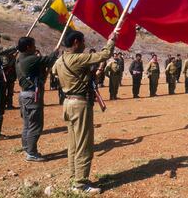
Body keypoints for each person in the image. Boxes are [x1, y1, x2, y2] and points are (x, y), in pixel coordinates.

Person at [52, 30, 115, 194]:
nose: (85, 44)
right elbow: (105, 54)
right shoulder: (78, 58)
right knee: (84, 145)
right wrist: (112, 39)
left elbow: (53, 72)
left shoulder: (60, 60)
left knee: (73, 144)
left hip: (67, 103)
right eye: (83, 41)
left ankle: (74, 178)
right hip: (80, 104)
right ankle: (80, 185)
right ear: (76, 42)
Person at [16, 37, 58, 162]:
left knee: (27, 124)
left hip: (24, 95)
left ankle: (27, 148)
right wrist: (55, 52)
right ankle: (32, 153)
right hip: (32, 96)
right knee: (35, 125)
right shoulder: (31, 59)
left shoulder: (19, 59)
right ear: (28, 47)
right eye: (33, 45)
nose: (35, 48)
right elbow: (49, 60)